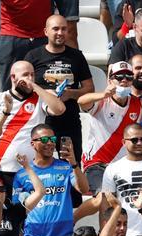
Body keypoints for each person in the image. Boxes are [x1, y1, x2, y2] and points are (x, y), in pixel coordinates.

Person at [14, 123, 88, 236]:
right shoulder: (22, 174)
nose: (50, 143)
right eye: (44, 139)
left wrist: (74, 164)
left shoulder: (65, 167)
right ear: (33, 143)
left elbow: (84, 189)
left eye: (53, 139)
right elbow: (18, 211)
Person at [79, 61, 142, 190]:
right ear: (111, 80)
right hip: (97, 164)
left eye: (129, 77)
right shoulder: (101, 102)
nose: (124, 80)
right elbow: (82, 101)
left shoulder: (140, 104)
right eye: (119, 77)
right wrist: (103, 94)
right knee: (105, 198)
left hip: (125, 166)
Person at [25, 16, 94, 158]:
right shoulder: (33, 56)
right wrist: (45, 94)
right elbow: (25, 86)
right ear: (45, 31)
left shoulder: (76, 56)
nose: (60, 32)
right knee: (41, 164)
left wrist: (70, 93)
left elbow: (89, 88)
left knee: (71, 166)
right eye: (55, 28)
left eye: (64, 29)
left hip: (69, 120)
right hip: (41, 120)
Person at [0, 61, 67, 177]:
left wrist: (35, 86)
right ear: (13, 78)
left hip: (32, 169)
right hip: (1, 167)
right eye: (26, 75)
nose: (30, 79)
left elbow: (59, 109)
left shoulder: (40, 98)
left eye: (32, 75)